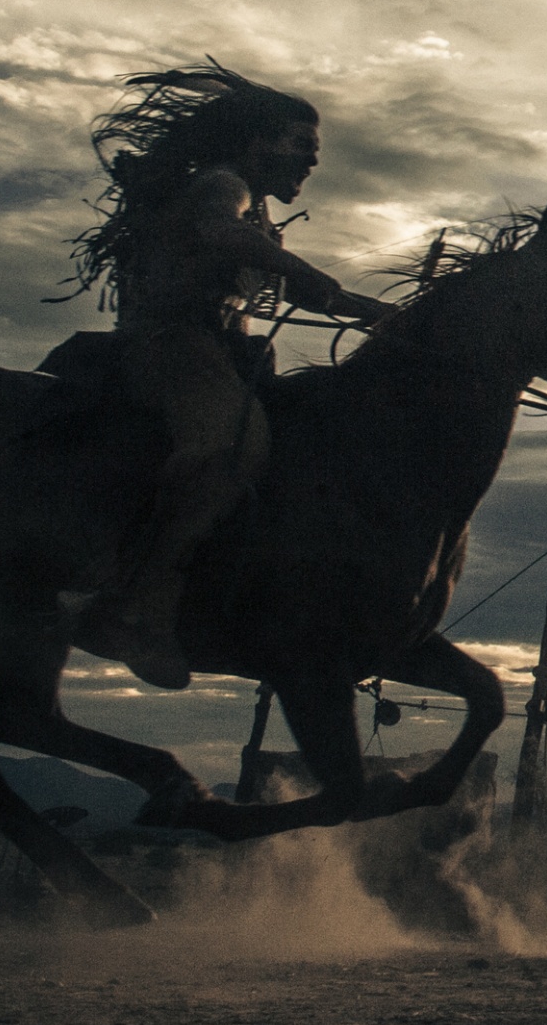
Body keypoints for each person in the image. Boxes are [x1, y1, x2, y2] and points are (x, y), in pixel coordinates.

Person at [54, 64, 392, 688]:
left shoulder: (255, 211)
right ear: (257, 142)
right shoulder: (223, 185)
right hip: (172, 345)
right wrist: (310, 275)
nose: (312, 160)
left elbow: (303, 288)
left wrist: (379, 314)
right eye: (301, 144)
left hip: (221, 351)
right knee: (231, 447)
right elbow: (219, 231)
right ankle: (129, 600)